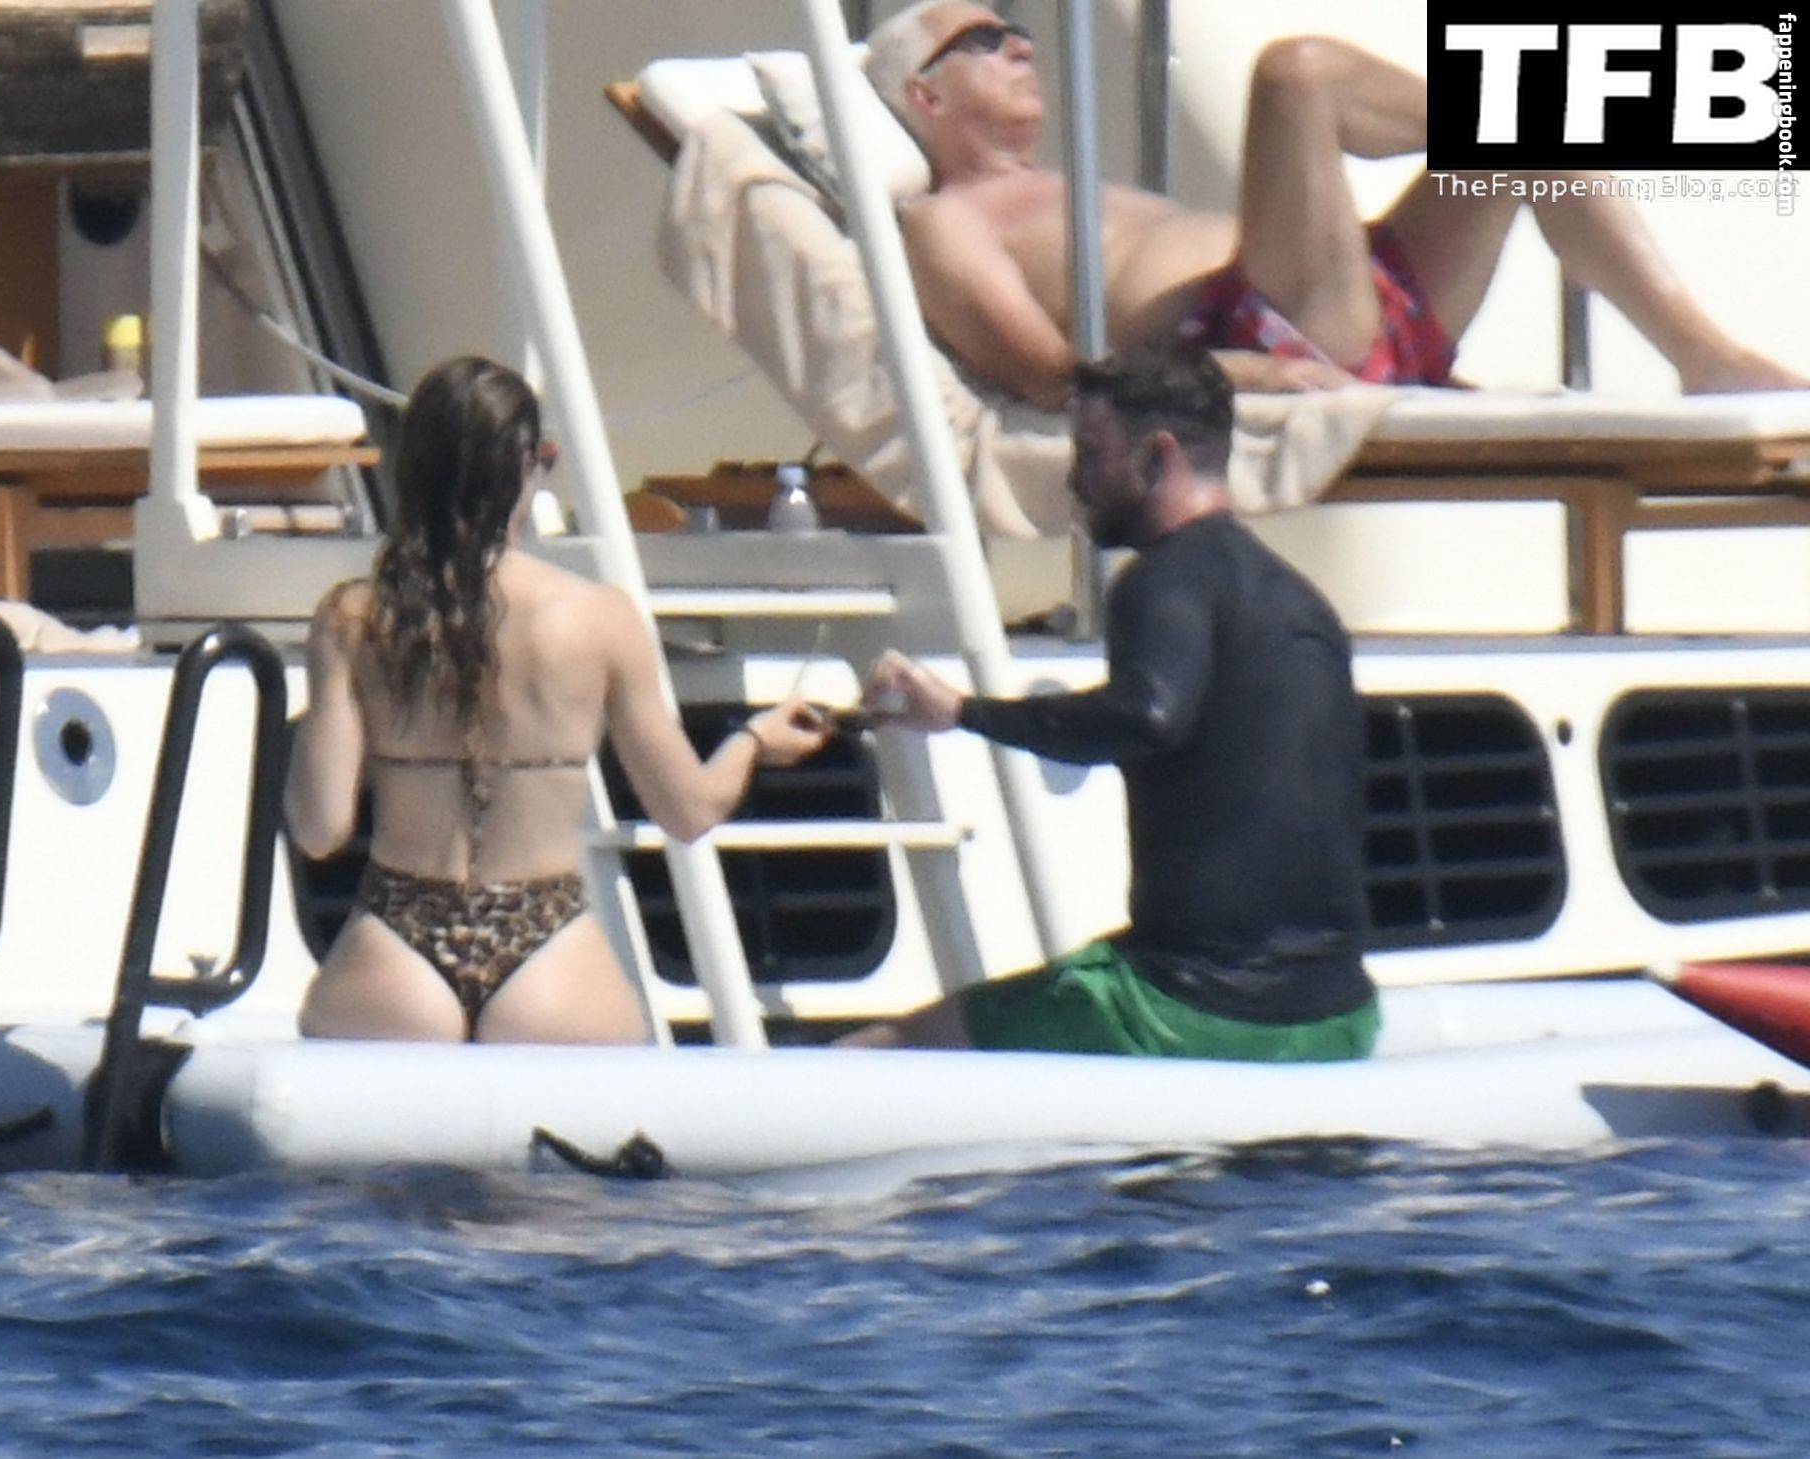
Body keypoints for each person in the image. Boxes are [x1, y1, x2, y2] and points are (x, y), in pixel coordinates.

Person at [864, 2, 1806, 409]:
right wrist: (1235, 376)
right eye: (984, 40)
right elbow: (1053, 381)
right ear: (924, 95)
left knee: (1523, 135)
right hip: (1273, 335)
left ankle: (1703, 354)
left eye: (1019, 31)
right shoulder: (945, 224)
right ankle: (1533, 113)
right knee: (1297, 74)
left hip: (1358, 295)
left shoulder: (1071, 184)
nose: (1022, 46)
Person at [842, 343, 1379, 1057]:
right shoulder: (1304, 602)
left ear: (1157, 457)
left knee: (882, 1051)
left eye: (1092, 454)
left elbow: (1147, 715)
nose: (1076, 480)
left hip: (1190, 1013)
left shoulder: (1161, 579)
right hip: (1339, 1020)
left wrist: (964, 712)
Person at [286, 356, 830, 1044]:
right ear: (528, 466)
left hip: (396, 943)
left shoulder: (353, 617)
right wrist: (752, 741)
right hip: (548, 945)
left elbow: (319, 828)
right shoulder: (599, 618)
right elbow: (689, 810)